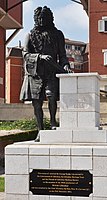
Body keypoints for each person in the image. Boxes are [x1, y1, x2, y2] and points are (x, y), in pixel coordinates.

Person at [20, 6, 70, 141]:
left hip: (51, 71)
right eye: (39, 18)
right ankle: (40, 130)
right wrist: (40, 57)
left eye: (44, 18)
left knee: (51, 97)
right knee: (37, 102)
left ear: (49, 19)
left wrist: (65, 65)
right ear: (35, 19)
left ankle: (53, 123)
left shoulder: (57, 34)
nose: (41, 20)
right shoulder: (29, 35)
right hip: (35, 72)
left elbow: (63, 55)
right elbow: (25, 53)